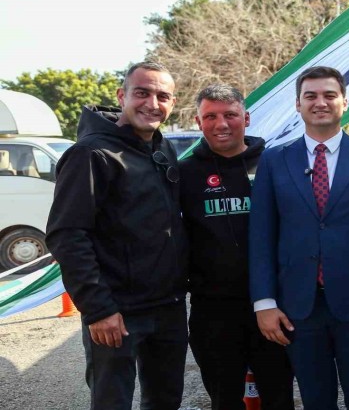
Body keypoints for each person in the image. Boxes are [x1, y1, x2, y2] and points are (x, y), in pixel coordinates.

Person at [249, 66, 349, 410]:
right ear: (298, 104)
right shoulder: (274, 159)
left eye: (329, 95)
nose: (320, 102)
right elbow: (261, 237)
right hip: (297, 307)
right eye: (311, 96)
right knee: (316, 400)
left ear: (344, 102)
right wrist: (264, 303)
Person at [46, 61, 189, 410]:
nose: (152, 103)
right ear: (121, 96)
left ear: (172, 103)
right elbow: (68, 235)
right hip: (117, 312)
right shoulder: (90, 153)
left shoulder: (162, 148)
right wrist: (98, 309)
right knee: (112, 402)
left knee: (166, 400)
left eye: (163, 96)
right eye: (142, 93)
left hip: (167, 307)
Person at [179, 85, 294, 410]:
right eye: (210, 116)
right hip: (213, 311)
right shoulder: (184, 173)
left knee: (279, 398)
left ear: (246, 118)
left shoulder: (276, 164)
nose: (221, 124)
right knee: (224, 399)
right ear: (198, 122)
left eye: (230, 115)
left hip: (274, 305)